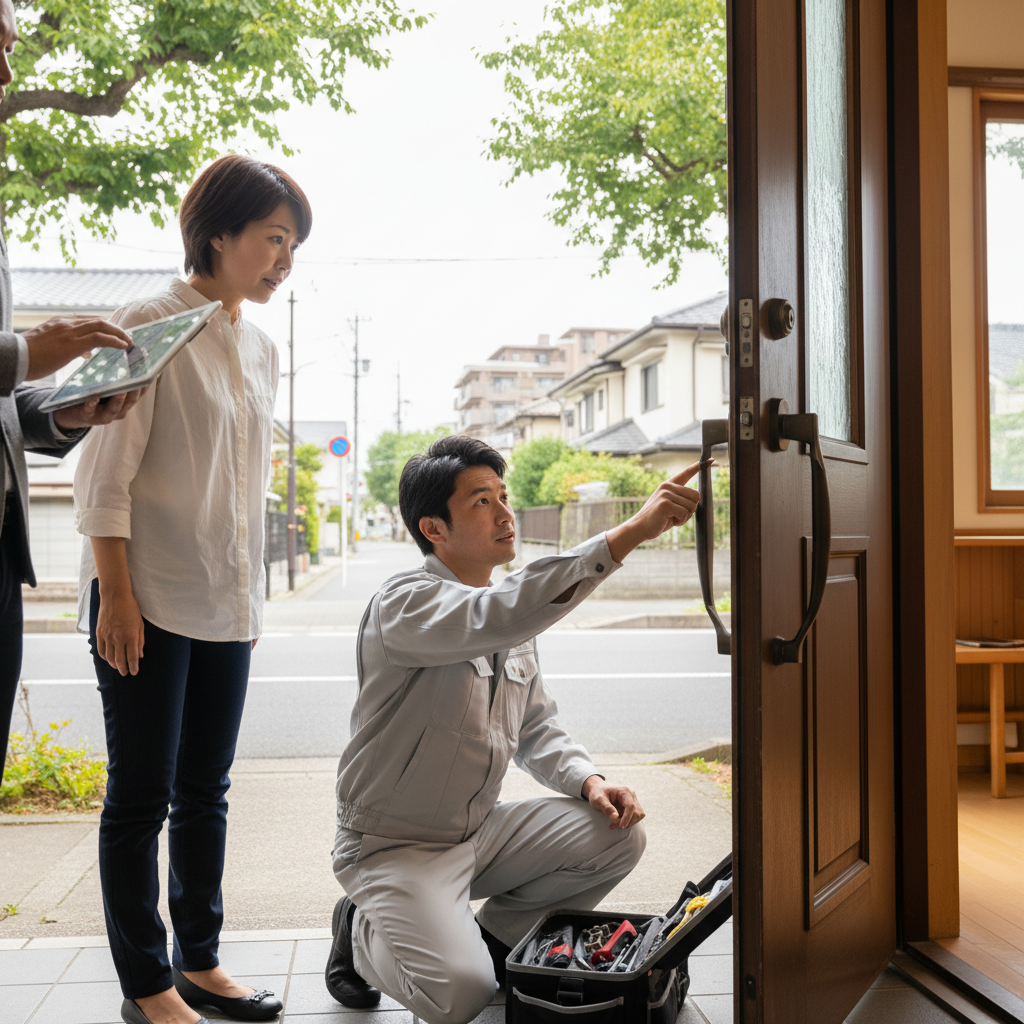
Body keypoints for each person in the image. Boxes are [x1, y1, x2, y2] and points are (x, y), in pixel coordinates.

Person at [325, 434, 703, 1024]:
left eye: (504, 496)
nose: (506, 513)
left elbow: (537, 727)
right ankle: (357, 929)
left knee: (617, 834)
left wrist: (588, 781)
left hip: (477, 833)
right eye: (481, 501)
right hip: (394, 846)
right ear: (434, 528)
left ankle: (494, 946)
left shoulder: (511, 618)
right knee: (459, 998)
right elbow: (494, 615)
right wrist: (630, 533)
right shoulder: (405, 604)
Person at [73, 154, 311, 1024]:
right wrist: (118, 596)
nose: (284, 259)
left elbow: (246, 488)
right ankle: (148, 986)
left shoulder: (261, 344)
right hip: (145, 594)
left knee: (205, 789)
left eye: (293, 245)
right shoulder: (145, 320)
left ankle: (200, 961)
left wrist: (249, 602)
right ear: (219, 233)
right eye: (273, 239)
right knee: (140, 795)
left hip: (222, 602)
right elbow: (103, 472)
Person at [0, 0, 145, 769]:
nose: (6, 71)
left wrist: (62, 411)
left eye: (12, 49)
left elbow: (3, 407)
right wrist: (27, 350)